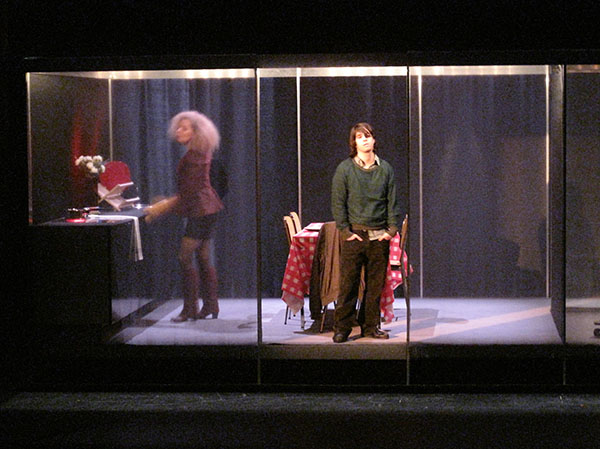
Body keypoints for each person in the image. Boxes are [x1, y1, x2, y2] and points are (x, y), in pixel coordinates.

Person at [145, 111, 223, 321]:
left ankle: (190, 309)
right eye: (178, 127)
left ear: (196, 132)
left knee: (185, 257)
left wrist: (163, 206)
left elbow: (190, 192)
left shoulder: (195, 156)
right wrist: (166, 203)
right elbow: (189, 191)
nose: (178, 131)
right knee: (203, 256)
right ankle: (210, 305)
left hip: (201, 210)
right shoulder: (198, 152)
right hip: (207, 209)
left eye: (184, 128)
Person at [330, 122, 399, 342]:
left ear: (374, 139)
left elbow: (392, 202)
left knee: (375, 287)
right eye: (360, 137)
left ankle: (370, 327)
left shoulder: (385, 169)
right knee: (348, 285)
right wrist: (345, 231)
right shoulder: (345, 169)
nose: (365, 140)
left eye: (368, 136)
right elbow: (338, 202)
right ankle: (342, 328)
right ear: (354, 142)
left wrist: (391, 230)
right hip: (355, 235)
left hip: (379, 236)